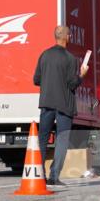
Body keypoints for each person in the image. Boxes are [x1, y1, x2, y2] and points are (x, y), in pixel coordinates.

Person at [33, 25, 89, 186]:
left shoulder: (44, 55)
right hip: (64, 105)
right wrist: (82, 75)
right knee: (62, 140)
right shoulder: (71, 59)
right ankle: (54, 176)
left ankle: (39, 174)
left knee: (42, 139)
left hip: (46, 103)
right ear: (67, 37)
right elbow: (72, 84)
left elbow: (36, 80)